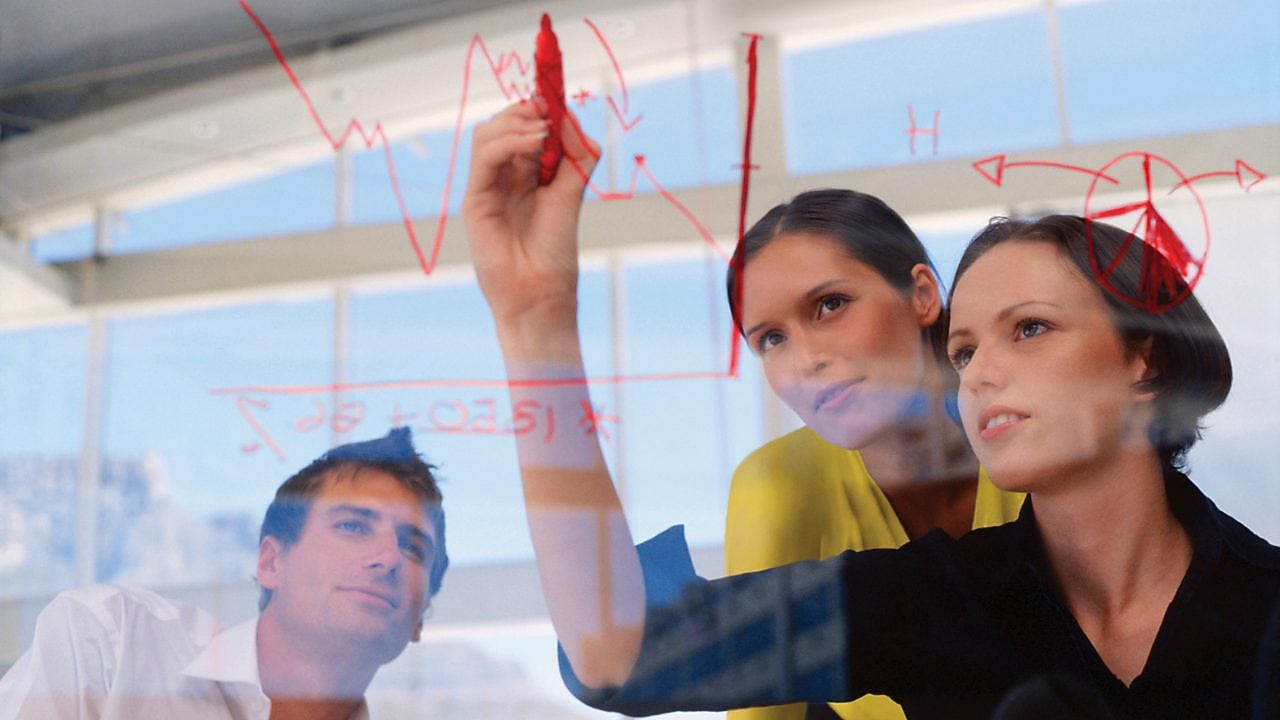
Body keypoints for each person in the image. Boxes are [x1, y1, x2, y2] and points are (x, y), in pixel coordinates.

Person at [461, 101, 1280, 718]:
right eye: (964, 352)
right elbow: (617, 651)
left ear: (1145, 356)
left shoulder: (1266, 603)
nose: (982, 371)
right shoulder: (927, 599)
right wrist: (536, 323)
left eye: (1028, 329)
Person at [725, 189, 1023, 720]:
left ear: (923, 295)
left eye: (830, 305)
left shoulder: (1033, 434)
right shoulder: (777, 487)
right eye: (771, 339)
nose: (806, 360)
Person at [0, 427, 448, 720]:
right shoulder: (112, 643)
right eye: (353, 526)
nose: (388, 557)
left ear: (418, 620)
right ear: (272, 563)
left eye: (413, 548)